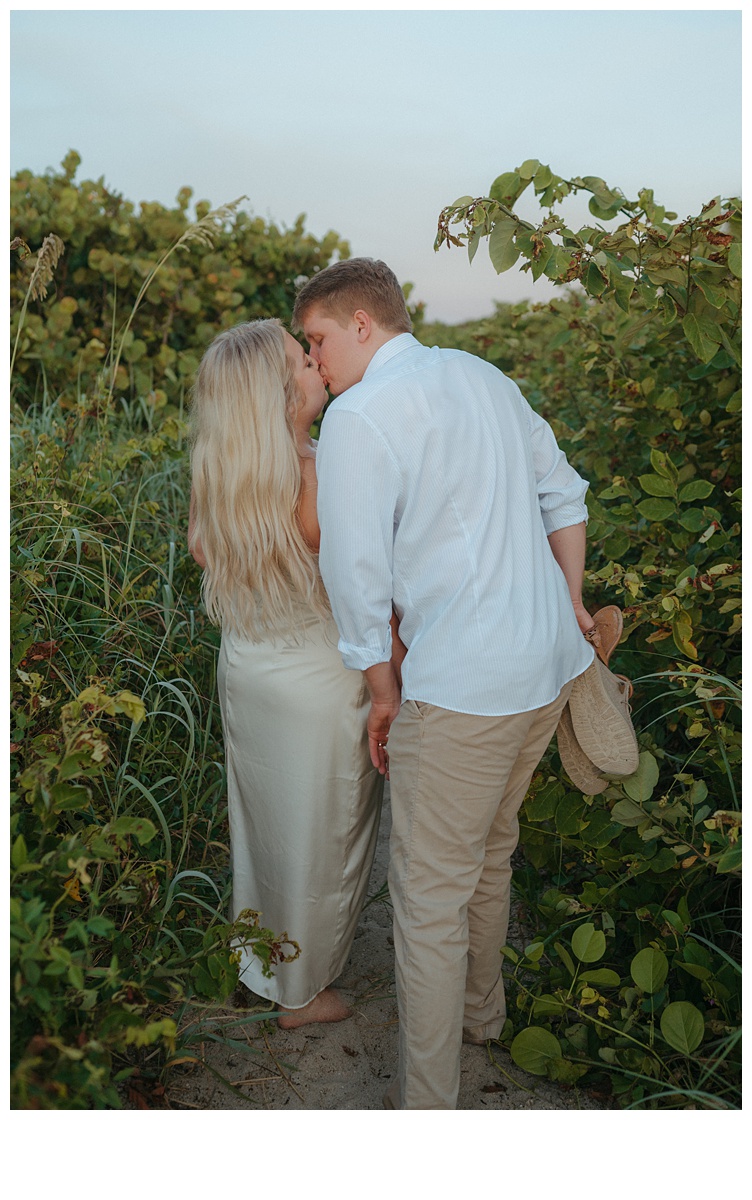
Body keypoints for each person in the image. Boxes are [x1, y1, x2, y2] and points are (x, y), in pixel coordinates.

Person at [291, 258, 595, 1107]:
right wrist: (566, 599)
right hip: (548, 665)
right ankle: (481, 1019)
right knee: (489, 854)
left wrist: (383, 695)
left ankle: (429, 1113)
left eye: (317, 341)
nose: (315, 364)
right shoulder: (484, 375)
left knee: (426, 900)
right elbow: (563, 493)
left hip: (465, 682)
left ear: (360, 324)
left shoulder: (359, 416)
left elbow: (357, 576)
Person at [188, 318, 386, 1029]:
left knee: (266, 827)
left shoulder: (224, 473)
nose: (317, 365)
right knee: (325, 836)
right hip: (316, 680)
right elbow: (364, 584)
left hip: (247, 668)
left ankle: (260, 960)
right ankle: (301, 993)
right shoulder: (318, 472)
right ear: (278, 394)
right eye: (303, 361)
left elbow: (206, 553)